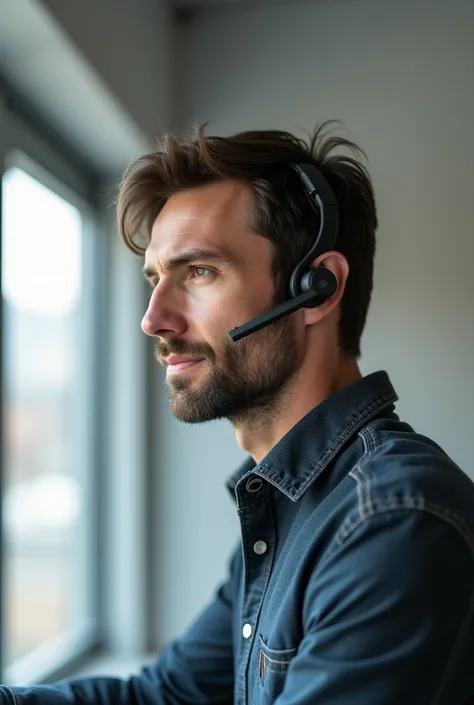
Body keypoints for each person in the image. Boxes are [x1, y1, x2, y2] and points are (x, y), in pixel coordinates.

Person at [2, 122, 474, 705]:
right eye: (156, 278)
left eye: (199, 272)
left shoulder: (390, 521)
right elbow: (169, 695)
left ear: (318, 289)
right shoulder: (289, 505)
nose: (153, 319)